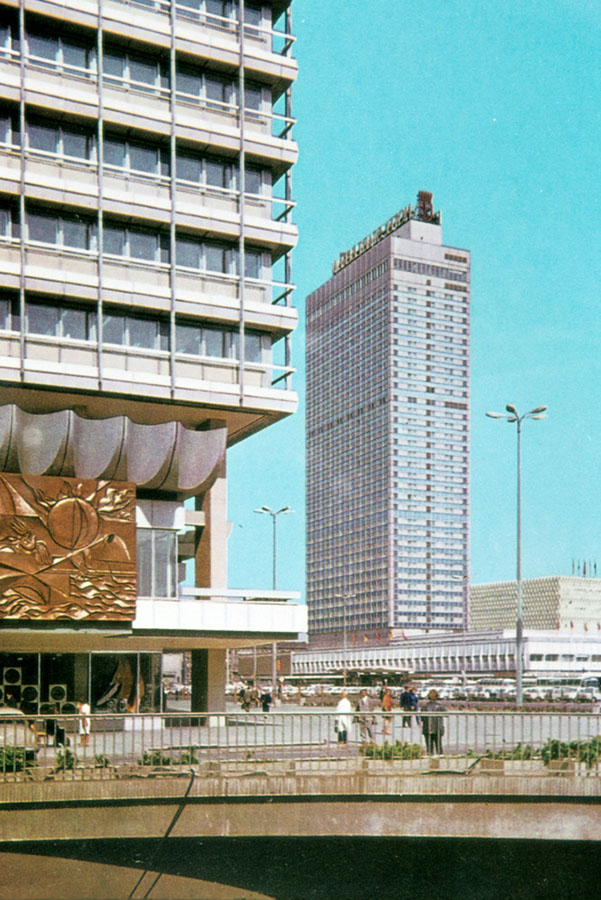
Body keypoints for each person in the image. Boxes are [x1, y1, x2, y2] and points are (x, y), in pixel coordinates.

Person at [421, 688, 446, 755]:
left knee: (429, 747)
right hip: (438, 727)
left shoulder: (424, 706)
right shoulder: (440, 706)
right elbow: (446, 714)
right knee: (439, 746)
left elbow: (422, 718)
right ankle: (439, 760)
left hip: (427, 728)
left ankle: (430, 759)